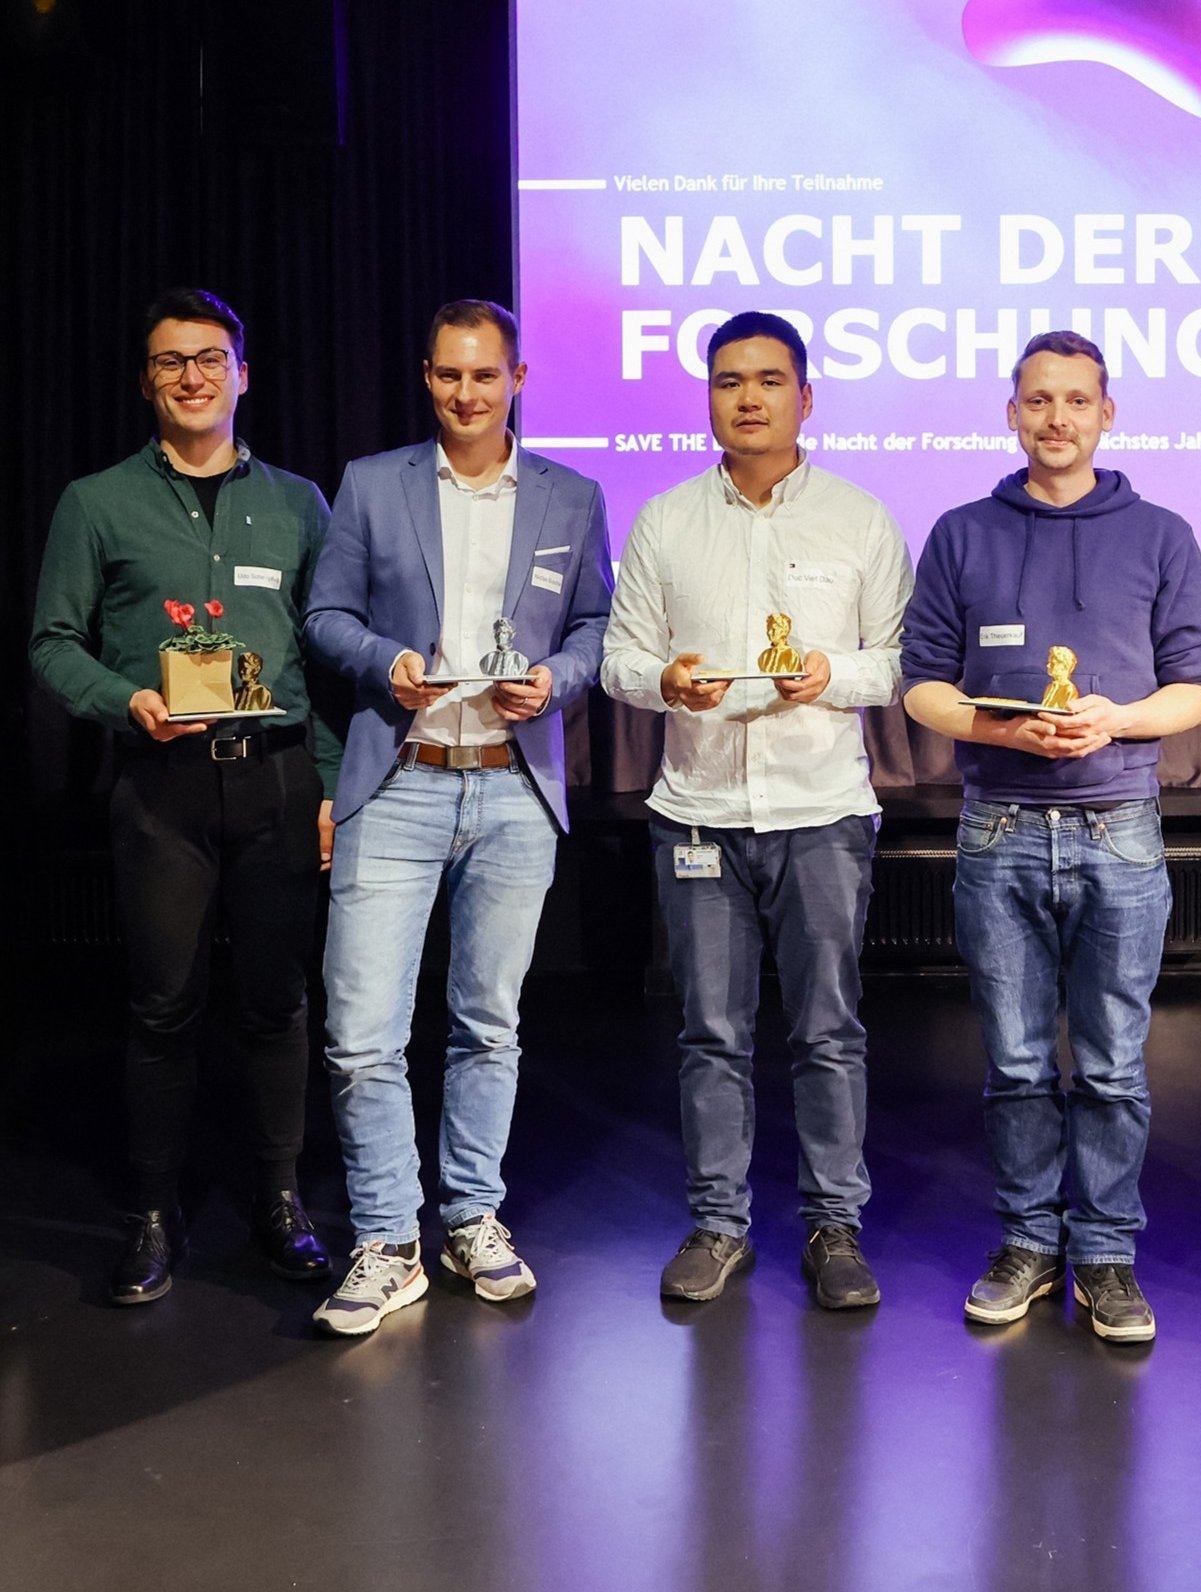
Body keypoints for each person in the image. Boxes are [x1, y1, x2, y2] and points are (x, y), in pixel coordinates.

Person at [304, 299, 612, 1336]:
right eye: (447, 376)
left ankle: (471, 1213)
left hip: (514, 787)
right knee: (360, 1034)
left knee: (489, 1022)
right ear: (427, 377)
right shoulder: (371, 484)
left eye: (484, 376)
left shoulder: (571, 495)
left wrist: (559, 678)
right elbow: (324, 614)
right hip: (398, 778)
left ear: (517, 378)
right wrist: (378, 661)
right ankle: (387, 1239)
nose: (465, 394)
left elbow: (594, 624)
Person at [901, 330, 1201, 1341]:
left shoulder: (1161, 533)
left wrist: (1111, 719)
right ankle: (1029, 1242)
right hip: (995, 828)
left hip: (1118, 827)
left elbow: (1195, 688)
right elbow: (921, 685)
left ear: (1105, 412)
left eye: (1075, 400)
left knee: (1116, 1062)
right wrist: (1000, 726)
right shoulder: (959, 532)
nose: (1056, 418)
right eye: (1036, 400)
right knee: (1016, 1060)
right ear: (1010, 412)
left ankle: (1108, 1256)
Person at [601, 311, 913, 1309]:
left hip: (820, 809)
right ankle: (718, 1223)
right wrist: (664, 680)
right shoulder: (664, 520)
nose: (746, 397)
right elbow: (617, 659)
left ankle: (833, 1226)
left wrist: (831, 672)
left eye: (768, 380)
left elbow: (906, 662)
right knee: (708, 1029)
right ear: (707, 398)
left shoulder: (860, 518)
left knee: (826, 1028)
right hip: (697, 810)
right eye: (728, 380)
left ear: (804, 397)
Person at [30, 287, 336, 1303]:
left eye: (210, 358)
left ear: (243, 374)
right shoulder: (96, 501)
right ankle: (153, 1212)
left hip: (278, 777)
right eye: (170, 361)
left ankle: (280, 1198)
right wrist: (126, 701)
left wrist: (331, 788)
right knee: (163, 1004)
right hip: (161, 785)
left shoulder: (298, 502)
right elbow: (51, 644)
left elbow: (327, 657)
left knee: (277, 999)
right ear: (147, 380)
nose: (192, 376)